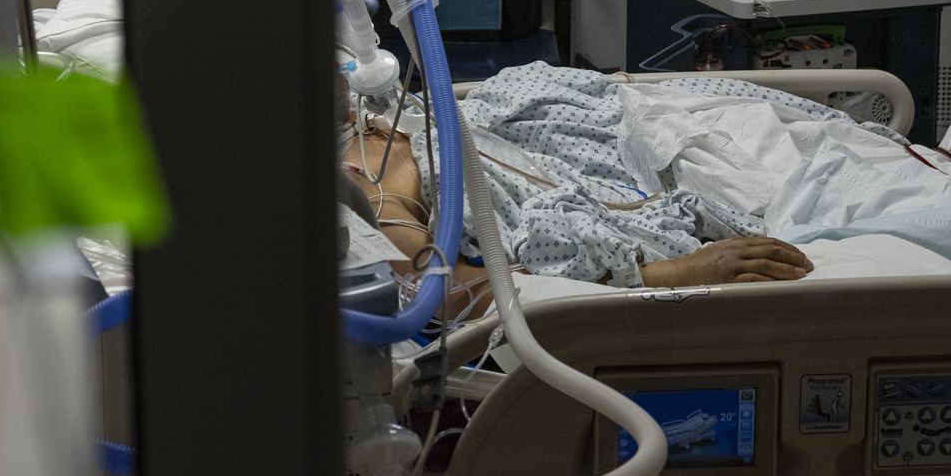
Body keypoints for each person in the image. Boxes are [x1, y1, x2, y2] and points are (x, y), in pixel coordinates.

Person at [341, 121, 812, 323]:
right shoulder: (361, 194)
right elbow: (452, 294)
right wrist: (673, 274)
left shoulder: (379, 117)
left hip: (586, 177)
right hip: (575, 229)